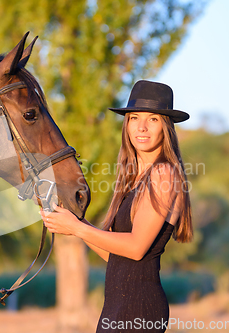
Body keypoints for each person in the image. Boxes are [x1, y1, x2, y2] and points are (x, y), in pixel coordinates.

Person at [41, 80, 193, 332]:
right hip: (117, 307)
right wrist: (73, 222)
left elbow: (135, 248)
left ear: (165, 127)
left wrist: (78, 229)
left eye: (153, 119)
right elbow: (114, 256)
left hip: (139, 308)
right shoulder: (133, 178)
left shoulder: (163, 173)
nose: (141, 127)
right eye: (134, 118)